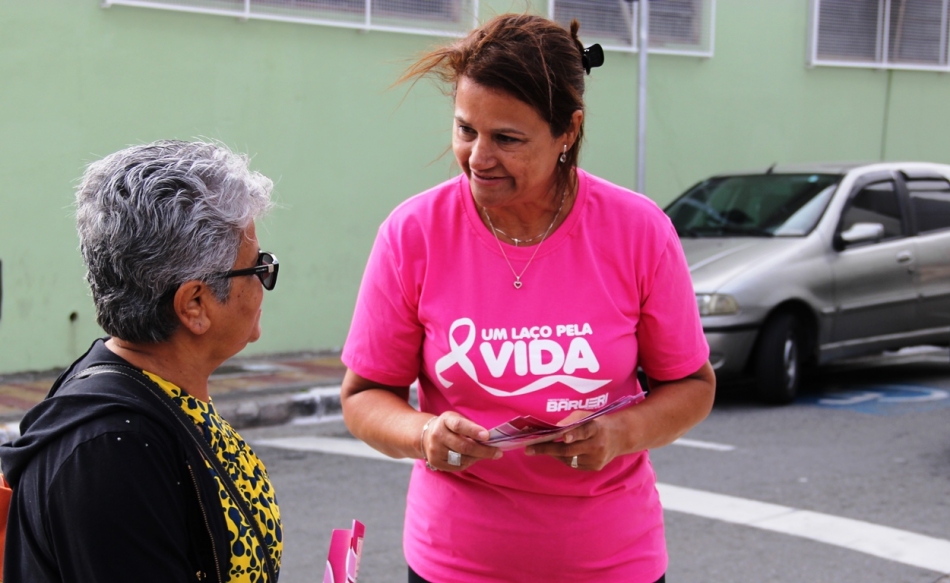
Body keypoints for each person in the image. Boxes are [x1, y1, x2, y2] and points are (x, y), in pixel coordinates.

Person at [340, 13, 716, 583]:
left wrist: (620, 434)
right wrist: (424, 436)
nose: (477, 158)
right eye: (466, 129)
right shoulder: (413, 232)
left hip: (612, 561)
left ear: (567, 131)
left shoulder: (638, 231)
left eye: (507, 139)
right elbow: (365, 395)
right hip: (453, 563)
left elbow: (691, 385)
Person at [0, 140, 283, 582]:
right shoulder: (111, 453)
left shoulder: (155, 394)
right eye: (257, 266)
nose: (265, 279)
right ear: (194, 304)